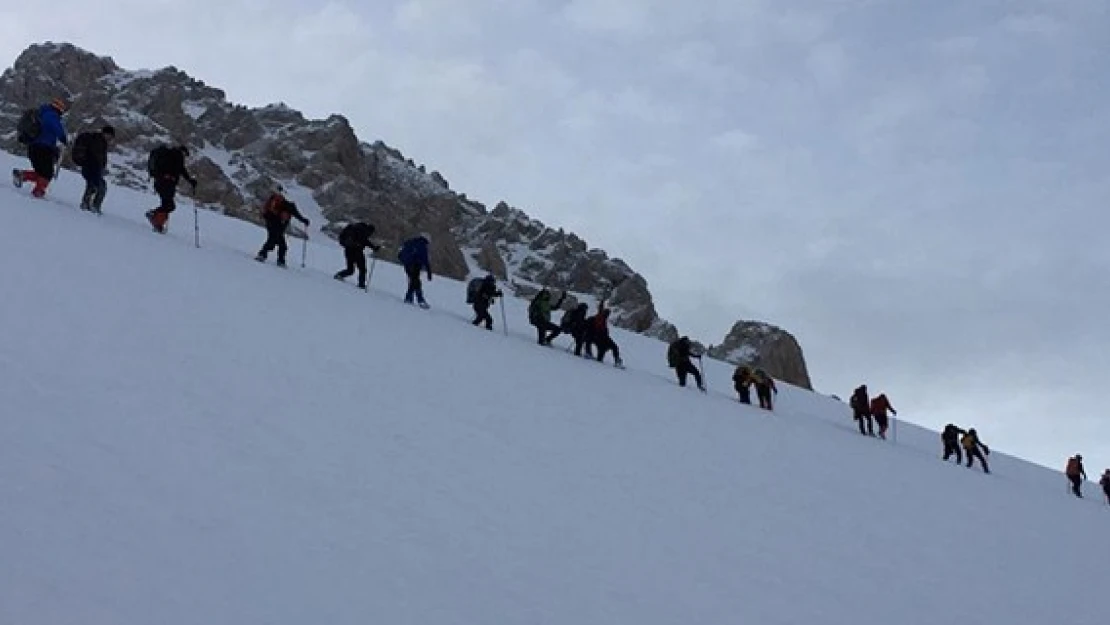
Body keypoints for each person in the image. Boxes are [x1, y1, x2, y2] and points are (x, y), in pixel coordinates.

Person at [12, 98, 68, 199]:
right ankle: (37, 193)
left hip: (33, 147)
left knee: (41, 172)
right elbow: (57, 129)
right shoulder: (51, 116)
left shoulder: (41, 113)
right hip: (43, 148)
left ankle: (22, 175)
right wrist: (63, 138)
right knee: (47, 173)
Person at [145, 144, 197, 233]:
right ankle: (155, 219)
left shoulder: (170, 156)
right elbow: (182, 170)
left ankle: (157, 221)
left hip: (160, 182)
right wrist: (190, 181)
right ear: (183, 152)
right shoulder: (177, 156)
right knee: (169, 205)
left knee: (167, 204)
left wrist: (189, 180)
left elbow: (181, 170)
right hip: (167, 183)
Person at [254, 189, 309, 267]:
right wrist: (304, 220)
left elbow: (267, 214)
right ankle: (266, 256)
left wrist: (304, 220)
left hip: (273, 225)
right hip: (276, 226)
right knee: (276, 242)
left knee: (276, 242)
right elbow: (297, 215)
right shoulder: (289, 205)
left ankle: (266, 256)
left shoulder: (282, 203)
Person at [72, 125, 115, 213]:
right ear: (105, 134)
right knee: (96, 186)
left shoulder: (101, 141)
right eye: (110, 135)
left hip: (92, 168)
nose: (110, 138)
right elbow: (96, 157)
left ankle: (89, 204)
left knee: (96, 185)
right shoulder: (98, 141)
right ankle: (91, 205)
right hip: (91, 167)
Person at [333, 221, 380, 288]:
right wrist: (374, 247)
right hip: (356, 251)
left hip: (348, 250)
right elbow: (365, 241)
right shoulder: (363, 231)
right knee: (362, 269)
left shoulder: (356, 228)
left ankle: (339, 275)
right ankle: (361, 284)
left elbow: (364, 241)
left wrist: (373, 247)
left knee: (350, 270)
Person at [584, 300, 623, 368]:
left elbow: (600, 310)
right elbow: (600, 310)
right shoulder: (600, 317)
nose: (607, 315)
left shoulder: (601, 318)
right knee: (614, 347)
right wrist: (601, 303)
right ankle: (617, 361)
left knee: (610, 348)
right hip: (600, 338)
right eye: (607, 314)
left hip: (600, 338)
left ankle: (589, 353)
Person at [398, 234, 432, 308]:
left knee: (413, 281)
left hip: (406, 264)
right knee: (416, 281)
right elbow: (425, 259)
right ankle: (420, 300)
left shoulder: (412, 241)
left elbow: (402, 249)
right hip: (415, 265)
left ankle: (409, 298)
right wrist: (429, 272)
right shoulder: (422, 245)